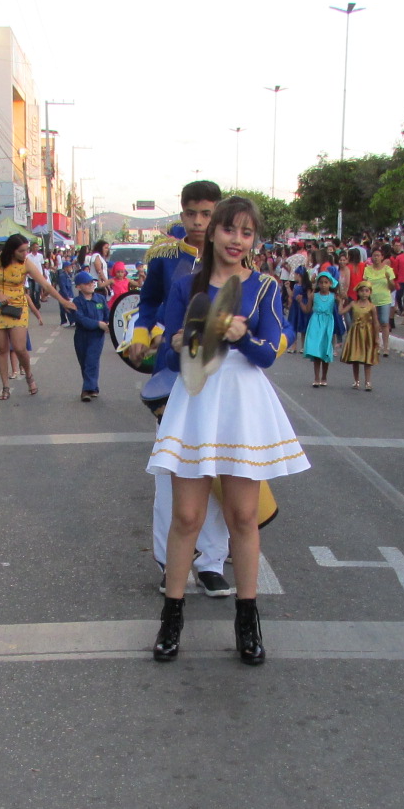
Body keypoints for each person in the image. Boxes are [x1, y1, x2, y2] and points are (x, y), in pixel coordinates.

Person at [147, 196, 309, 665]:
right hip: (197, 400)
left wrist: (244, 337)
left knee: (243, 516)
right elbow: (169, 351)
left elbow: (269, 353)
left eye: (247, 233)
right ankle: (171, 618)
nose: (237, 240)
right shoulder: (186, 285)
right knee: (186, 518)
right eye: (230, 230)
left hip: (242, 404)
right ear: (213, 232)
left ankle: (247, 622)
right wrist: (178, 342)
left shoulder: (264, 287)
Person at [130, 181, 235, 599]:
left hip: (221, 383)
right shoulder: (165, 259)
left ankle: (211, 563)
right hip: (174, 377)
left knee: (217, 471)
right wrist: (142, 335)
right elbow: (148, 303)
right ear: (181, 213)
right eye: (191, 213)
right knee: (171, 473)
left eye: (207, 213)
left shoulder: (235, 261)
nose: (198, 221)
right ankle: (168, 561)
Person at [0, 234, 71, 400]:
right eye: (21, 251)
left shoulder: (27, 263)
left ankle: (28, 374)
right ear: (12, 250)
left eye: (26, 250)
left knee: (19, 347)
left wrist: (63, 300)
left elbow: (45, 284)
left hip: (17, 306)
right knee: (2, 348)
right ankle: (5, 387)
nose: (25, 254)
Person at [70, 270, 109, 401]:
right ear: (78, 287)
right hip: (81, 336)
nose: (91, 285)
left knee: (91, 361)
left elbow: (107, 314)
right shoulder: (77, 302)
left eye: (92, 282)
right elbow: (81, 319)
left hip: (96, 336)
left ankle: (86, 389)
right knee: (84, 362)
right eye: (87, 283)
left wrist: (108, 324)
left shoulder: (100, 299)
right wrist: (98, 323)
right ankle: (93, 388)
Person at [339, 270, 380, 389]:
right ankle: (356, 381)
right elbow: (341, 312)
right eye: (362, 291)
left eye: (367, 290)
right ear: (358, 292)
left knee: (367, 359)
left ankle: (368, 382)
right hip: (355, 333)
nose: (364, 293)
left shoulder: (372, 306)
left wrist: (376, 337)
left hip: (367, 333)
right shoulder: (353, 304)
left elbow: (376, 322)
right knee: (355, 358)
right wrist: (340, 301)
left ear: (370, 292)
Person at [303, 272, 338, 386]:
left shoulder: (333, 297)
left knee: (325, 349)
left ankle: (324, 377)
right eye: (321, 282)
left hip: (327, 323)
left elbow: (343, 299)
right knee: (316, 349)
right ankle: (316, 377)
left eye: (326, 282)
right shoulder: (314, 296)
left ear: (330, 283)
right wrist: (300, 302)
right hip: (315, 322)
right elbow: (307, 310)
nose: (323, 285)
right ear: (318, 284)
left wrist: (339, 290)